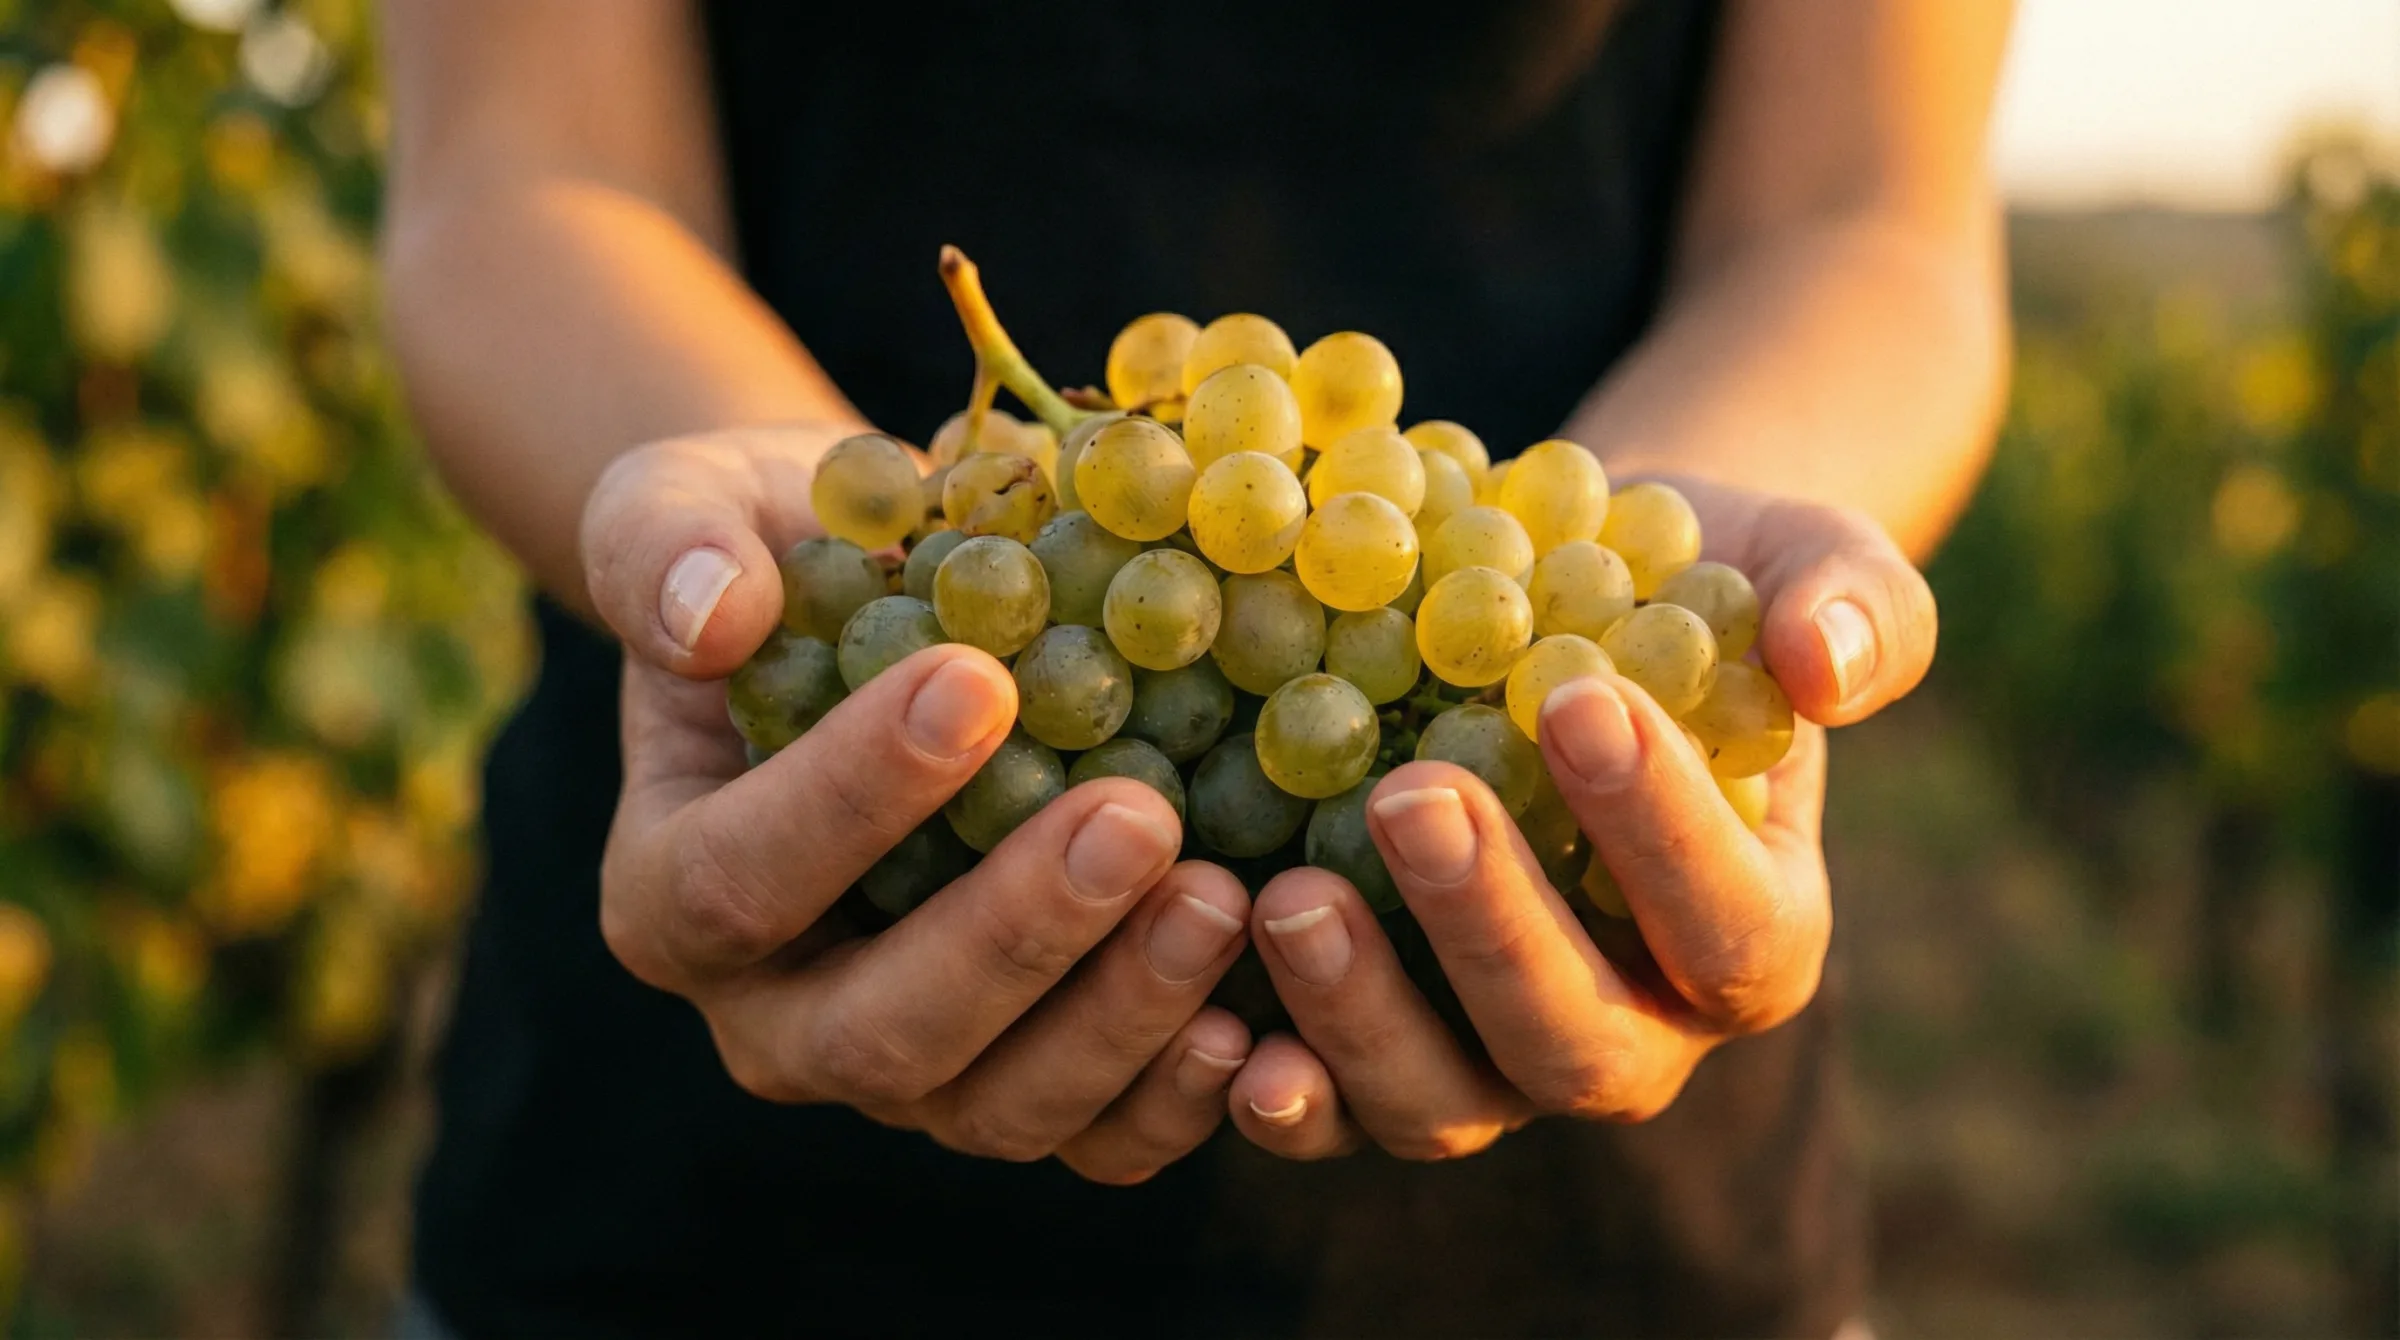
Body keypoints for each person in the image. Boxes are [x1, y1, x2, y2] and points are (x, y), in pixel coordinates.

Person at [377, 1, 2009, 1335]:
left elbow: (1859, 216)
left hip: (1614, 1206)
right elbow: (526, 173)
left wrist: (1703, 584)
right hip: (692, 1192)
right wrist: (740, 563)